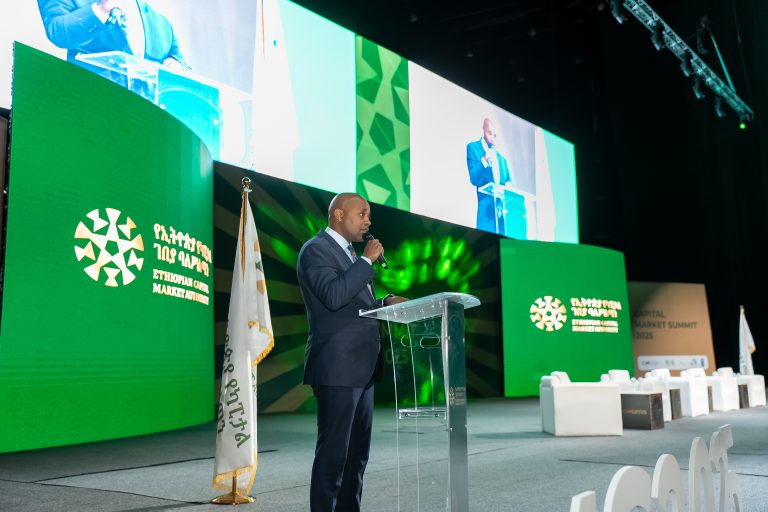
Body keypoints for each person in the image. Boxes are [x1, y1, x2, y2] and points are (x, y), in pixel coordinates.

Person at [297, 193, 406, 512]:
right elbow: (333, 296)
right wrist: (366, 262)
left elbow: (354, 305)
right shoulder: (316, 250)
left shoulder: (349, 254)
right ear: (339, 215)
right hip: (337, 369)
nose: (368, 221)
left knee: (357, 457)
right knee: (334, 456)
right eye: (363, 214)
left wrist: (383, 303)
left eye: (369, 215)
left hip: (362, 368)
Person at [37, 0, 187, 94]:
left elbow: (181, 63)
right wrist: (101, 9)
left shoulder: (162, 23)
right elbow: (57, 32)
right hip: (92, 112)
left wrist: (176, 66)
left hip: (148, 123)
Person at [466, 117, 514, 234]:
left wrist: (509, 187)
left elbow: (508, 181)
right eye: (490, 133)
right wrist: (484, 161)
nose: (493, 138)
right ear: (483, 130)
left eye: (495, 135)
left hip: (502, 220)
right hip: (486, 219)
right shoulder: (473, 148)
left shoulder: (502, 160)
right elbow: (474, 179)